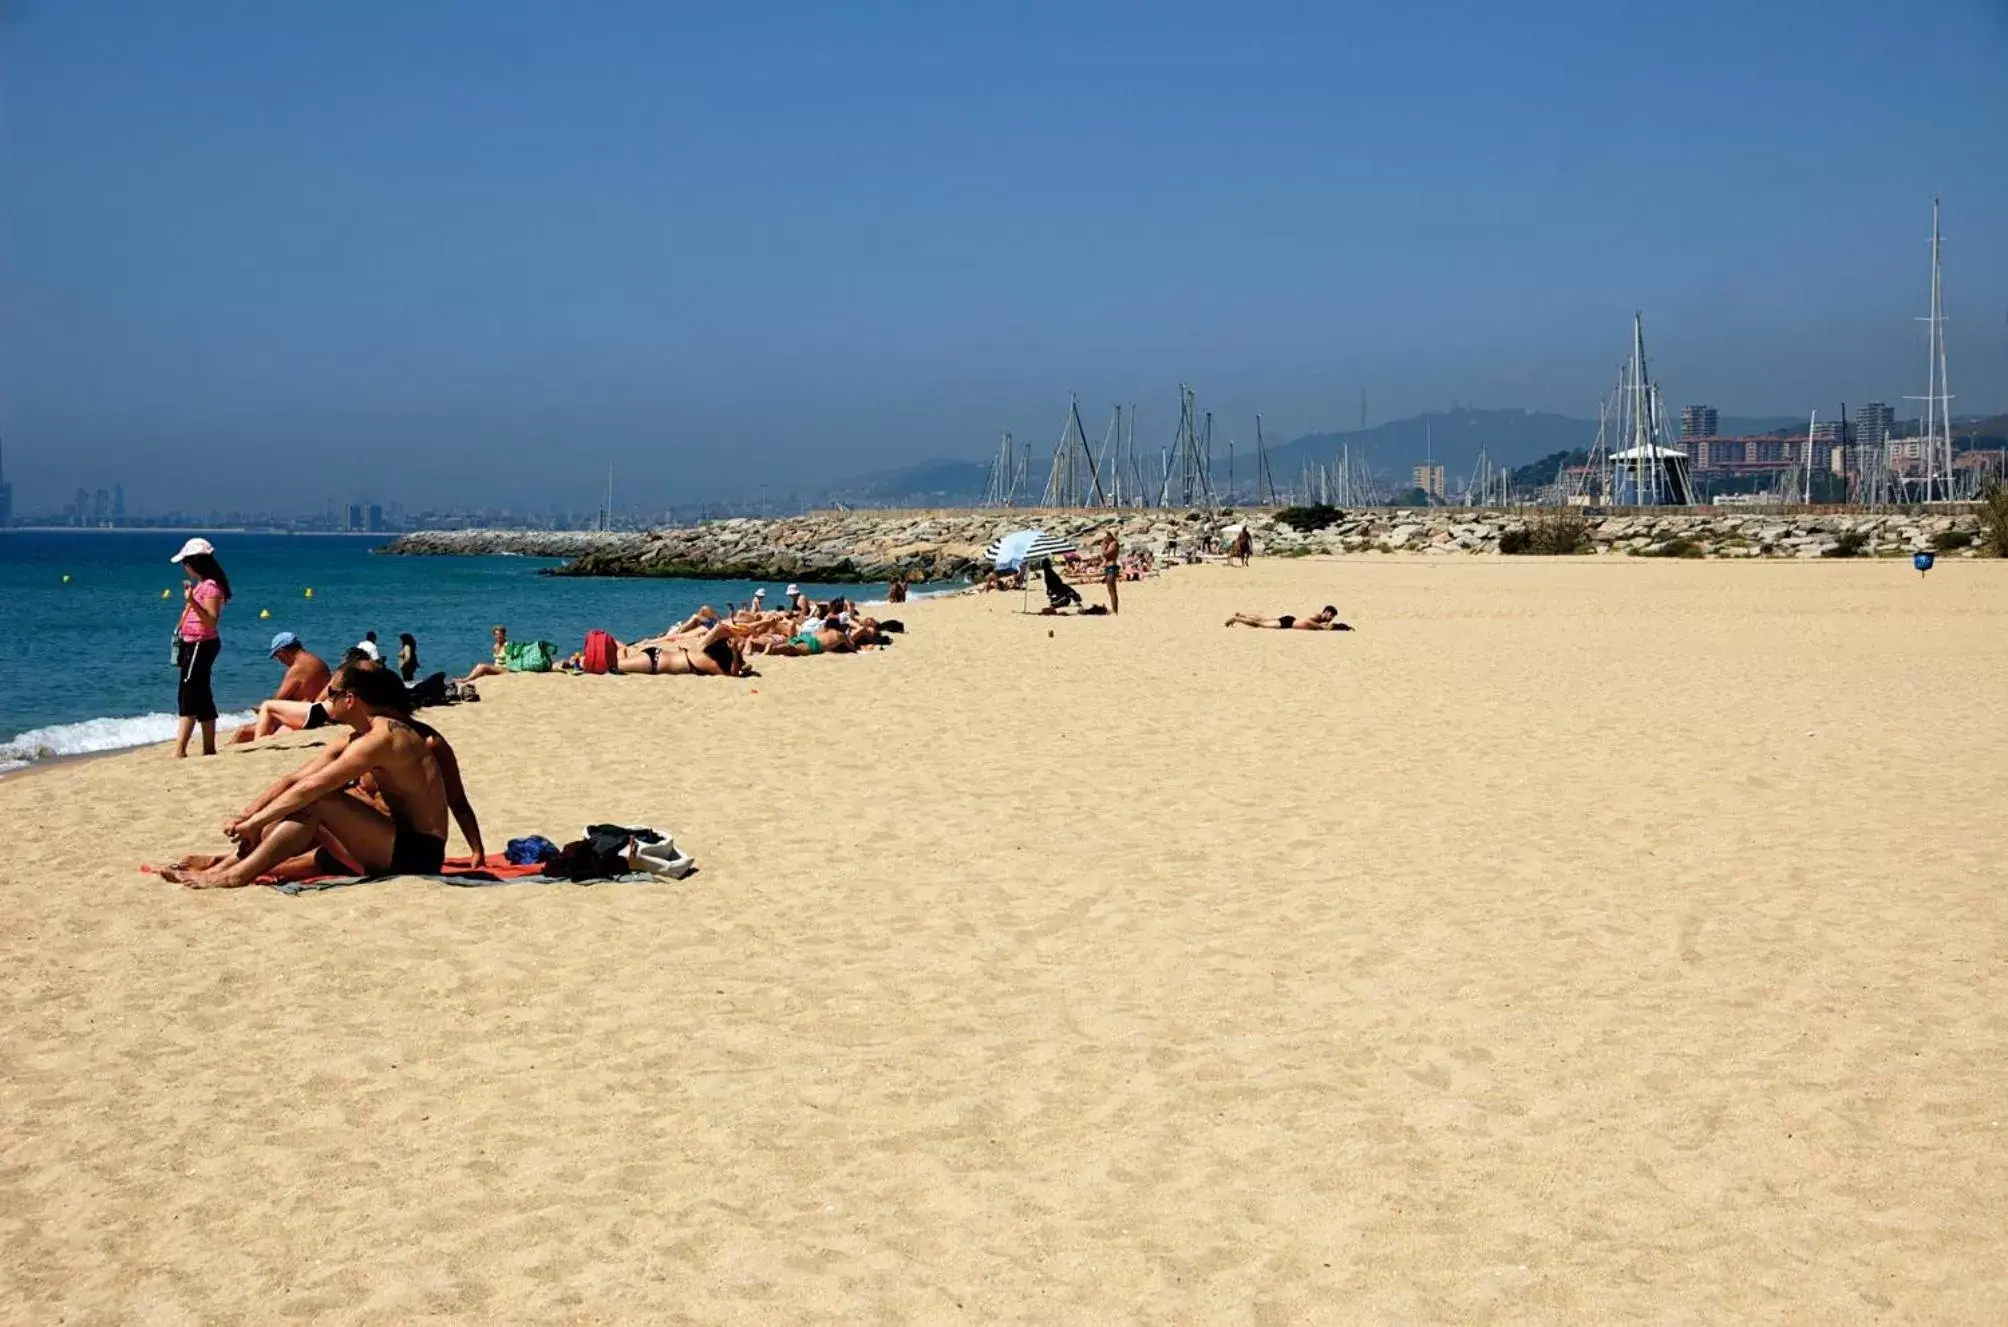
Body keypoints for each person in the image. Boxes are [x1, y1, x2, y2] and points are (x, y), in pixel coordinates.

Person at [158, 661, 484, 888]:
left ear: (351, 698)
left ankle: (232, 876)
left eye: (331, 694)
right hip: (390, 841)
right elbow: (295, 780)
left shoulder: (388, 737)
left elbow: (315, 787)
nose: (325, 701)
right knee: (296, 816)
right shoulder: (360, 736)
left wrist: (252, 824)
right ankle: (226, 864)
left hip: (418, 854)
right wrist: (250, 816)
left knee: (318, 803)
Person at [170, 537, 231, 758]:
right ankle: (208, 747)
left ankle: (180, 749)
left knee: (188, 694)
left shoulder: (212, 587)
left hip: (201, 644)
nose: (184, 567)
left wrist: (192, 601)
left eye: (185, 562)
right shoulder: (203, 586)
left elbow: (212, 620)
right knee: (202, 694)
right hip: (192, 643)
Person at [230, 632, 333, 744]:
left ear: (283, 652)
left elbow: (277, 701)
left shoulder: (297, 669)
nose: (280, 661)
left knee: (243, 731)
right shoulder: (318, 662)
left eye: (278, 657)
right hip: (320, 713)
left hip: (306, 717)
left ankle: (254, 745)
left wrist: (259, 709)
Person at [1224, 606, 1353, 631]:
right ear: (1326, 612)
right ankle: (1237, 619)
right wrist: (1318, 626)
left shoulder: (1319, 618)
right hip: (1288, 623)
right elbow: (1307, 622)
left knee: (1263, 619)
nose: (1330, 619)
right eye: (1330, 616)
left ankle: (1242, 615)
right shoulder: (1317, 617)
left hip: (1289, 621)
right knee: (1260, 624)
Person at [1099, 530, 1121, 615]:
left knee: (1112, 590)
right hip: (1108, 567)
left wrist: (1103, 547)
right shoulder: (1110, 544)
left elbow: (1106, 554)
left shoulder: (1114, 544)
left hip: (1112, 567)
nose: (1106, 537)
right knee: (1110, 589)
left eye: (1108, 535)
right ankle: (1113, 609)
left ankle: (1115, 610)